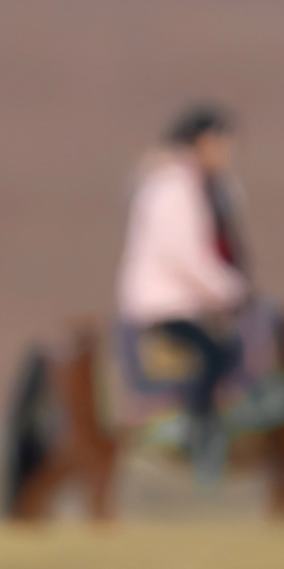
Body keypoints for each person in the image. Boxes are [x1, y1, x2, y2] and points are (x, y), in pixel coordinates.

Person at [117, 103, 255, 482]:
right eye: (220, 143)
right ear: (202, 142)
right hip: (164, 304)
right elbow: (184, 255)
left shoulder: (208, 186)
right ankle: (198, 435)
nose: (225, 152)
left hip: (193, 301)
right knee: (216, 353)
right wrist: (231, 290)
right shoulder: (173, 188)